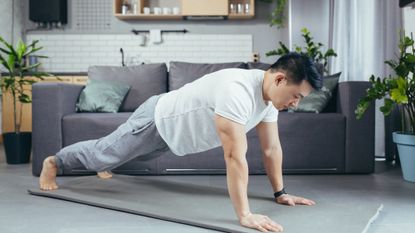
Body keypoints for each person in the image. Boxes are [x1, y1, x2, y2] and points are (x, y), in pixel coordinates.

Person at [39, 52, 321, 232]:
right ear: (280, 79)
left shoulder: (270, 100)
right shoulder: (237, 91)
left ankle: (110, 159)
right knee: (104, 154)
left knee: (118, 156)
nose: (296, 104)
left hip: (174, 138)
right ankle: (54, 161)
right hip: (156, 121)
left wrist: (280, 193)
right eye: (297, 96)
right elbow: (235, 156)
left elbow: (271, 149)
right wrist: (245, 214)